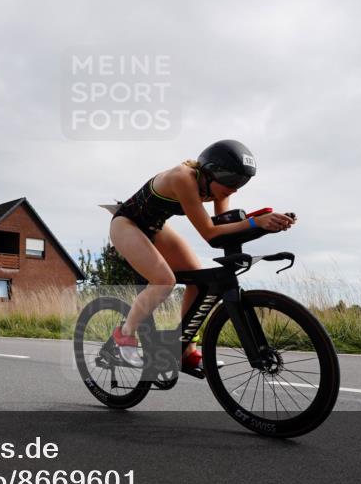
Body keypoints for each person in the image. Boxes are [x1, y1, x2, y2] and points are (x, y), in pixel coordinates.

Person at [109, 139, 296, 372]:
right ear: (209, 171)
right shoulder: (183, 177)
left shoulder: (219, 188)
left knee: (199, 284)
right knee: (164, 281)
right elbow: (209, 232)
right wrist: (254, 222)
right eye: (231, 180)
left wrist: (266, 224)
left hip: (155, 226)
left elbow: (224, 227)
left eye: (242, 181)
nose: (235, 188)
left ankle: (186, 351)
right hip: (127, 224)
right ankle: (124, 334)